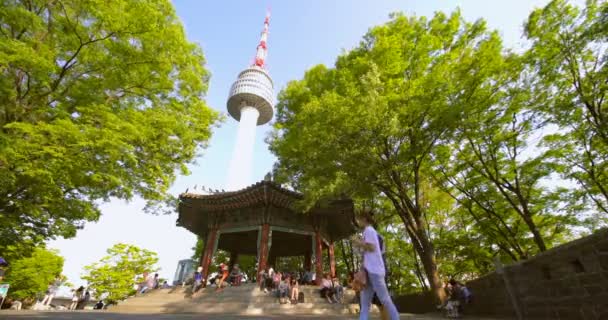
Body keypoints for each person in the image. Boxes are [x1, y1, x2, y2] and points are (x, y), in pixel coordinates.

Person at [352, 211, 400, 320]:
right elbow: (366, 251)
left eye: (358, 219)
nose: (357, 222)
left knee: (384, 299)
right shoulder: (366, 232)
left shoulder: (369, 230)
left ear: (364, 219)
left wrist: (358, 242)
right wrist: (358, 245)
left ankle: (396, 318)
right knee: (365, 303)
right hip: (368, 271)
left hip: (374, 270)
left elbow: (372, 247)